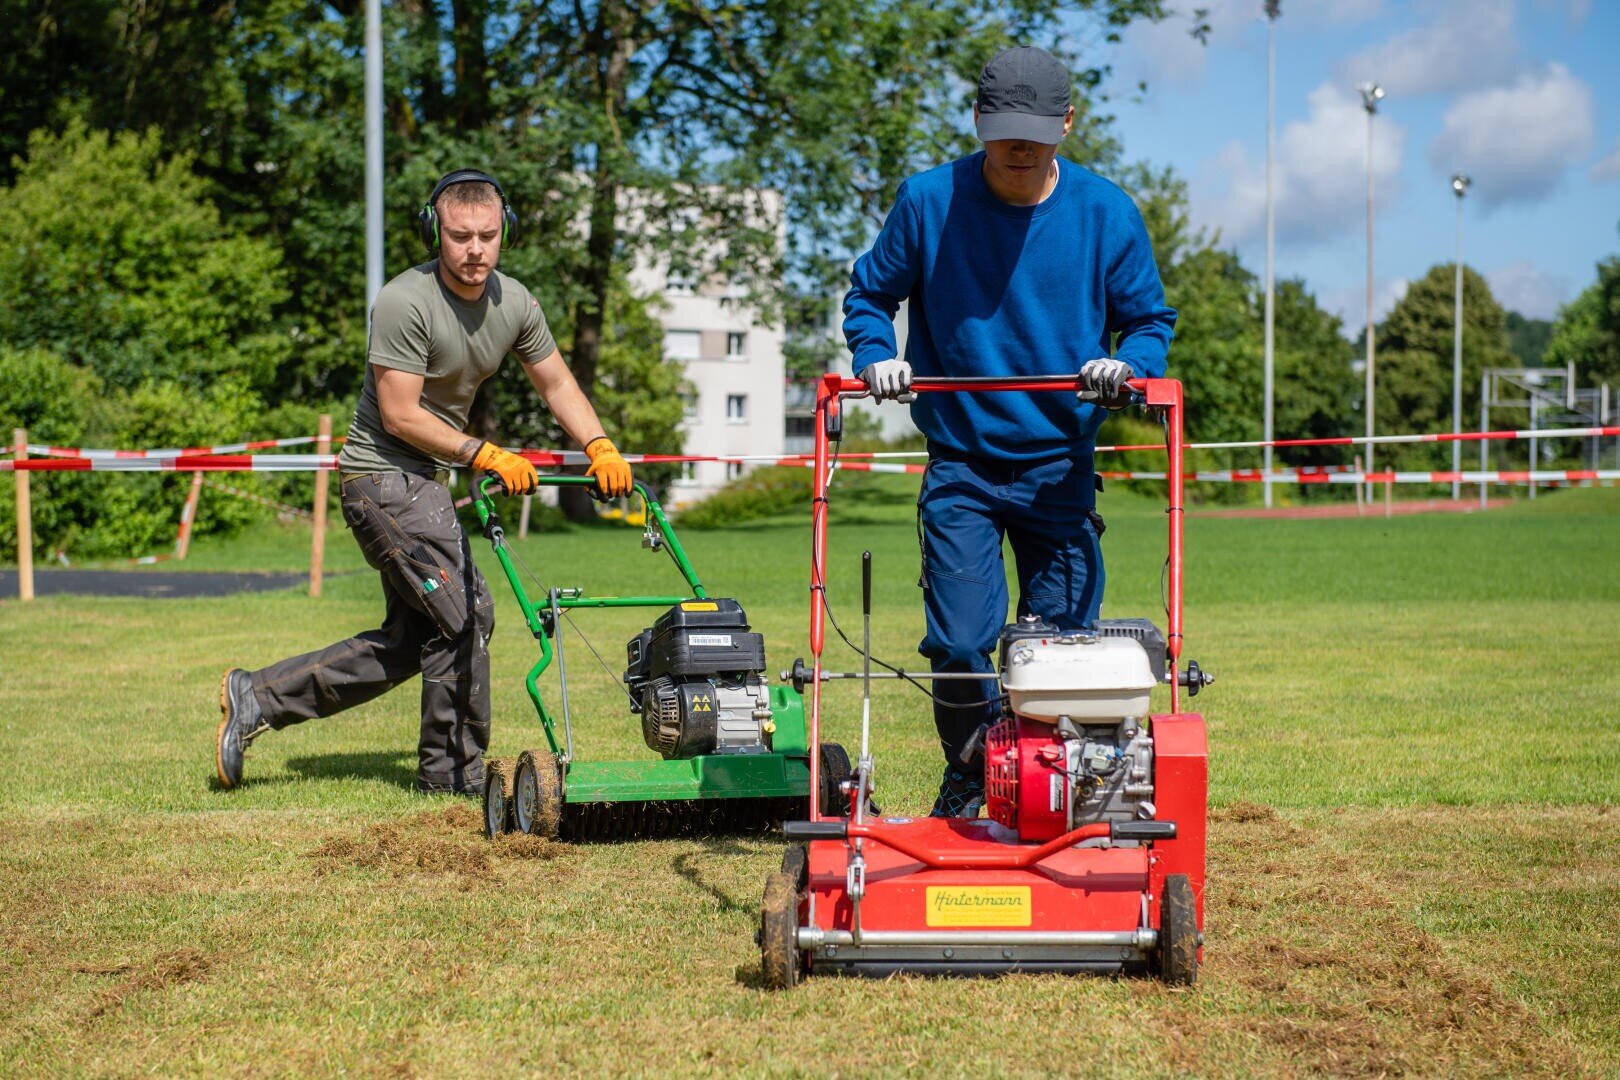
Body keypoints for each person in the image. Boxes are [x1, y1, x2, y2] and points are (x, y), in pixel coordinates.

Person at [215, 169, 634, 796]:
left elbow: (557, 383)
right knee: (466, 618)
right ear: (435, 231)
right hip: (380, 476)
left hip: (427, 483)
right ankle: (451, 780)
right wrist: (485, 454)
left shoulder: (515, 302)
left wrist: (598, 443)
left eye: (487, 237)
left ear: (504, 233)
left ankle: (259, 697)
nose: (474, 251)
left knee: (416, 638)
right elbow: (400, 414)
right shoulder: (404, 301)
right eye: (460, 236)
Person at [842, 46, 1176, 818]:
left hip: (1061, 462)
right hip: (961, 462)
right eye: (1004, 131)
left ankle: (1058, 791)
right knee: (961, 640)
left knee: (1059, 644)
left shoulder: (1105, 212)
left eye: (1036, 131)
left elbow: (1150, 321)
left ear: (1066, 123)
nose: (1020, 148)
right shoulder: (929, 202)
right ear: (977, 122)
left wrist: (1125, 365)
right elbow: (870, 295)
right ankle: (967, 775)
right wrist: (875, 355)